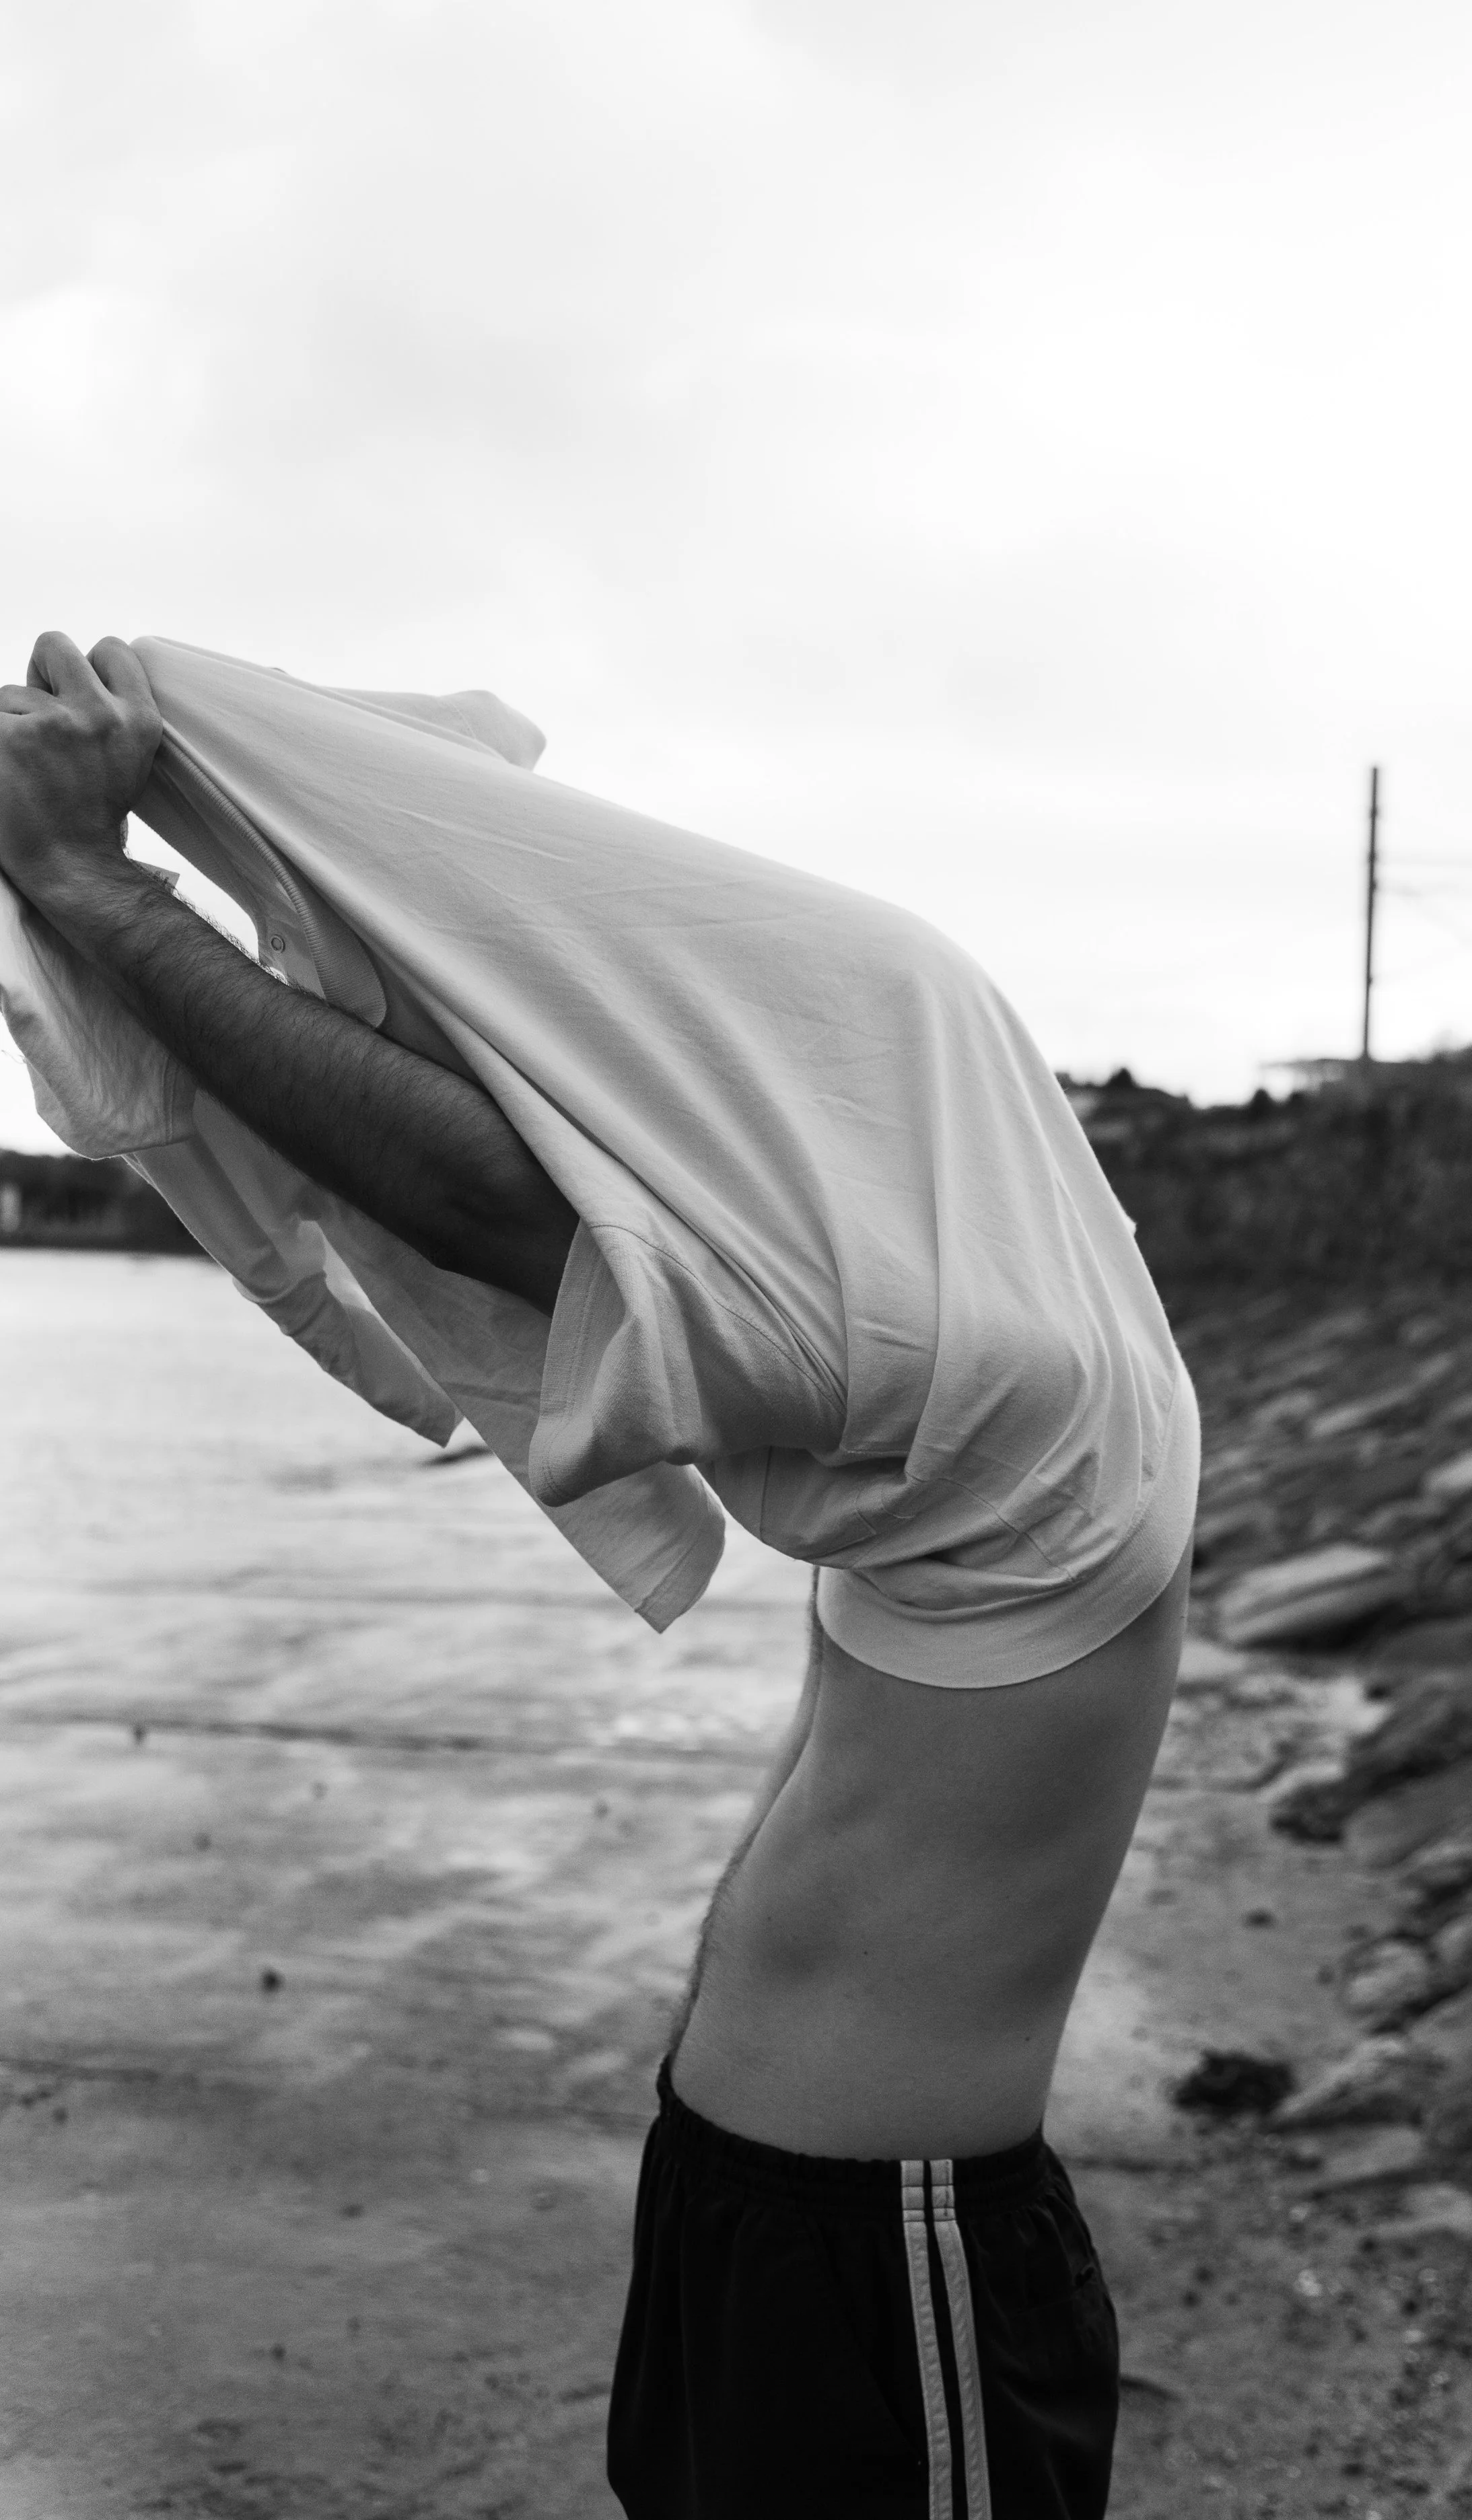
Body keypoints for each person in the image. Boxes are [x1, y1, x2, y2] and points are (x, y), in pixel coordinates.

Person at [0, 631, 1197, 2520]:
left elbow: (492, 1197)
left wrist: (92, 890)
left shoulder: (975, 1363)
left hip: (890, 2237)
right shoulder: (988, 1301)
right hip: (765, 2189)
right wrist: (219, 816)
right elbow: (558, 1098)